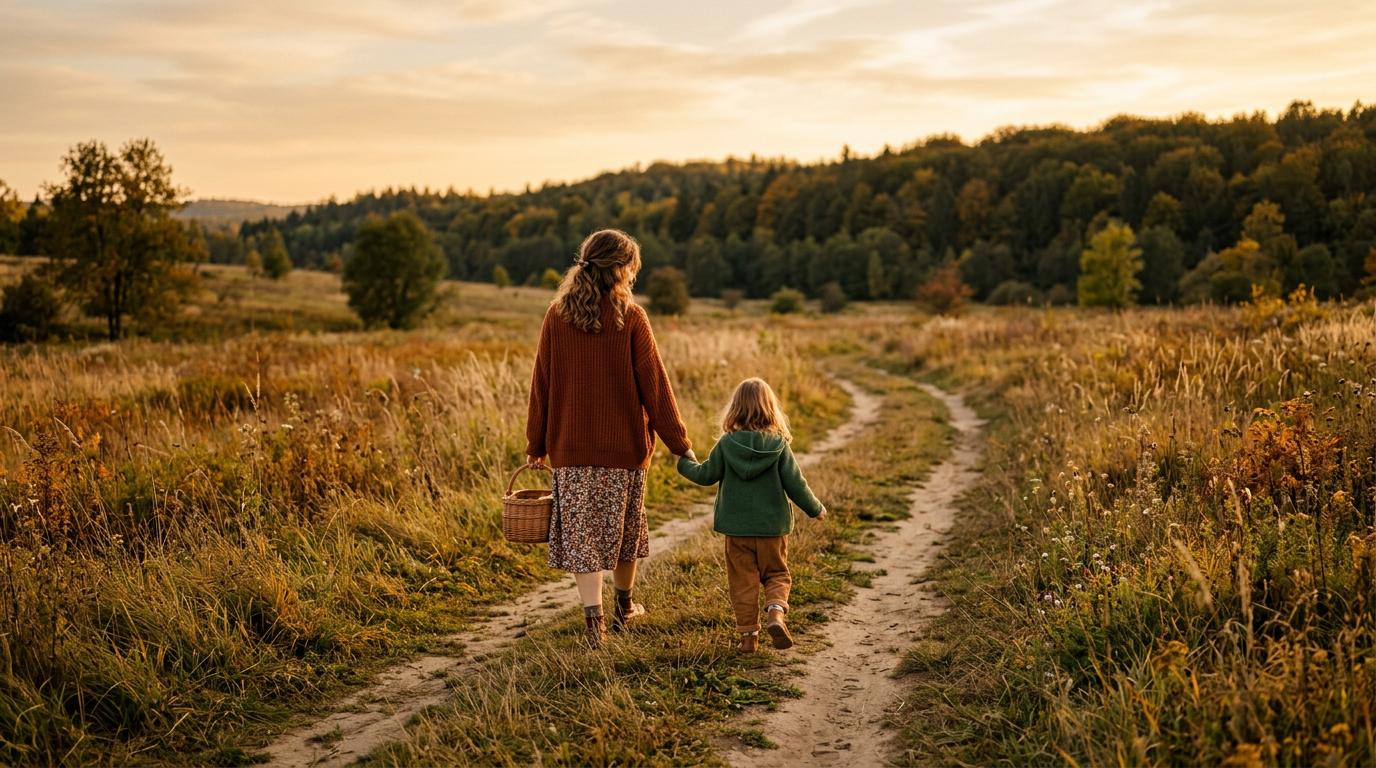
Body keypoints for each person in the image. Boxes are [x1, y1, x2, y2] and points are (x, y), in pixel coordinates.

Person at [525, 229, 695, 649]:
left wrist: (536, 445)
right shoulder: (631, 317)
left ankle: (593, 625)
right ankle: (624, 608)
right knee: (622, 531)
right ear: (620, 270)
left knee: (584, 537)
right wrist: (680, 444)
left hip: (571, 448)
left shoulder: (556, 315)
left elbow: (540, 384)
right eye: (632, 269)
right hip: (624, 449)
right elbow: (655, 387)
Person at [676, 377, 826, 653]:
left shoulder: (726, 444)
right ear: (771, 409)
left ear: (735, 409)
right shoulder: (779, 444)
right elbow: (796, 483)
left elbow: (706, 475)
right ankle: (776, 613)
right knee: (777, 574)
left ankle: (748, 640)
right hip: (772, 529)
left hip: (737, 530)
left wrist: (684, 463)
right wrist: (815, 508)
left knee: (742, 582)